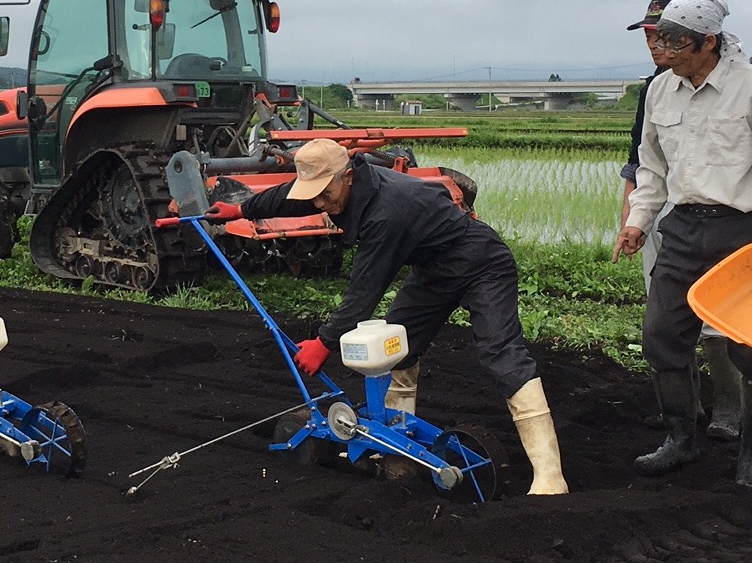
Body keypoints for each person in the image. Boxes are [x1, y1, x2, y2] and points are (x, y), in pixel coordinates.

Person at [215, 137, 567, 494]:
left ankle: (550, 478)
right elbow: (291, 194)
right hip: (433, 270)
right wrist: (243, 210)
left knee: (500, 354)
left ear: (347, 176)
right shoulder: (345, 186)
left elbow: (364, 292)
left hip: (481, 262)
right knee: (397, 346)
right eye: (314, 194)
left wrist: (324, 342)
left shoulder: (386, 213)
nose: (320, 203)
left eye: (325, 193)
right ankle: (398, 450)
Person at [615, 0, 752, 489]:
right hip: (682, 229)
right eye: (660, 41)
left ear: (708, 42)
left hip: (744, 233)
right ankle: (680, 440)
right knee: (661, 336)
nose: (664, 51)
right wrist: (638, 220)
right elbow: (652, 168)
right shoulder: (660, 91)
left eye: (675, 43)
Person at [618, 0, 746, 441]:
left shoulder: (743, 84)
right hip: (665, 209)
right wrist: (632, 213)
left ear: (698, 40)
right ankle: (682, 414)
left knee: (718, 314)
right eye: (650, 36)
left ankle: (729, 411)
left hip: (721, 213)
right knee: (666, 312)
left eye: (663, 36)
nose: (655, 45)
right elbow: (641, 157)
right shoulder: (656, 87)